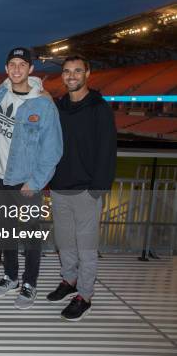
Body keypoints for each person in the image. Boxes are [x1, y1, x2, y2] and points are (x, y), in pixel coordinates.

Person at [0, 47, 63, 309]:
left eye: (22, 64)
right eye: (12, 64)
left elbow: (53, 149)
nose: (17, 69)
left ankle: (30, 282)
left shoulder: (43, 103)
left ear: (31, 69)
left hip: (26, 180)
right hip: (0, 175)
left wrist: (36, 181)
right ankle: (10, 276)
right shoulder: (1, 91)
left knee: (31, 234)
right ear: (7, 68)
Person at [48, 54, 117, 321]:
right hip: (59, 187)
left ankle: (85, 295)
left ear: (87, 73)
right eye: (67, 71)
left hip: (86, 190)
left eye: (77, 71)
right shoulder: (59, 106)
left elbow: (107, 150)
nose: (71, 76)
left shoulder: (99, 108)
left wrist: (97, 189)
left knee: (86, 247)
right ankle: (69, 280)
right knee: (65, 242)